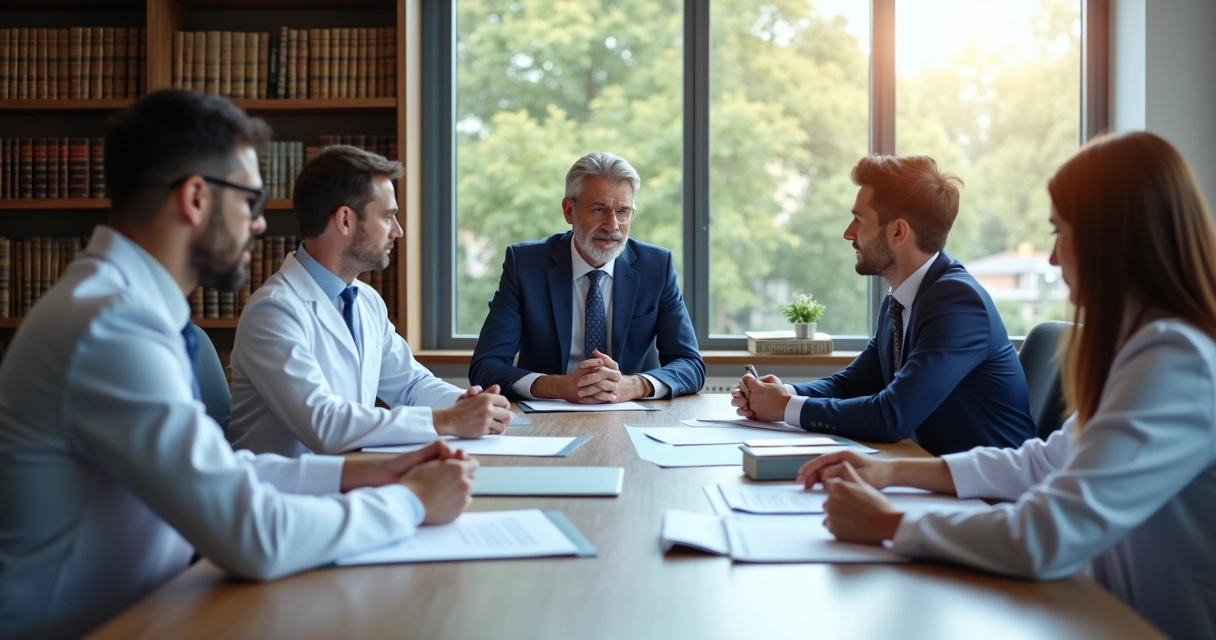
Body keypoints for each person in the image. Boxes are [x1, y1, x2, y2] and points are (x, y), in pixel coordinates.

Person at [0, 91, 478, 639]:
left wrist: (368, 471)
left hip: (162, 605)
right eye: (249, 201)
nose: (257, 225)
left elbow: (222, 473)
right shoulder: (111, 326)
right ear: (197, 198)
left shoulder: (127, 307)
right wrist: (411, 502)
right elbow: (254, 534)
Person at [798, 131, 1216, 640]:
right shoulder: (1146, 348)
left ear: (1111, 239)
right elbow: (1044, 461)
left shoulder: (1175, 360)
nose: (1054, 259)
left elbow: (1049, 533)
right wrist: (888, 474)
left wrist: (891, 525)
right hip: (1094, 611)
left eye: (1061, 233)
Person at [731, 155, 1035, 455]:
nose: (848, 233)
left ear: (898, 232)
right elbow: (852, 385)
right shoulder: (901, 298)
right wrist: (783, 394)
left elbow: (892, 416)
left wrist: (784, 408)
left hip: (991, 493)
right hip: (932, 473)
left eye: (859, 220)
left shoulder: (958, 303)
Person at [228, 145, 512, 457]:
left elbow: (410, 385)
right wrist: (449, 419)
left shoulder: (364, 299)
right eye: (388, 216)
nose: (398, 231)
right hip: (284, 495)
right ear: (346, 220)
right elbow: (325, 426)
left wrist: (467, 404)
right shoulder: (273, 312)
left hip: (347, 480)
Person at [469, 151, 704, 403]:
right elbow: (485, 366)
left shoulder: (656, 267)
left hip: (632, 413)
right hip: (546, 416)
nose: (612, 225)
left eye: (623, 211)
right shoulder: (525, 265)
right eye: (598, 209)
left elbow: (690, 364)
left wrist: (633, 385)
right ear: (568, 210)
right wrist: (561, 387)